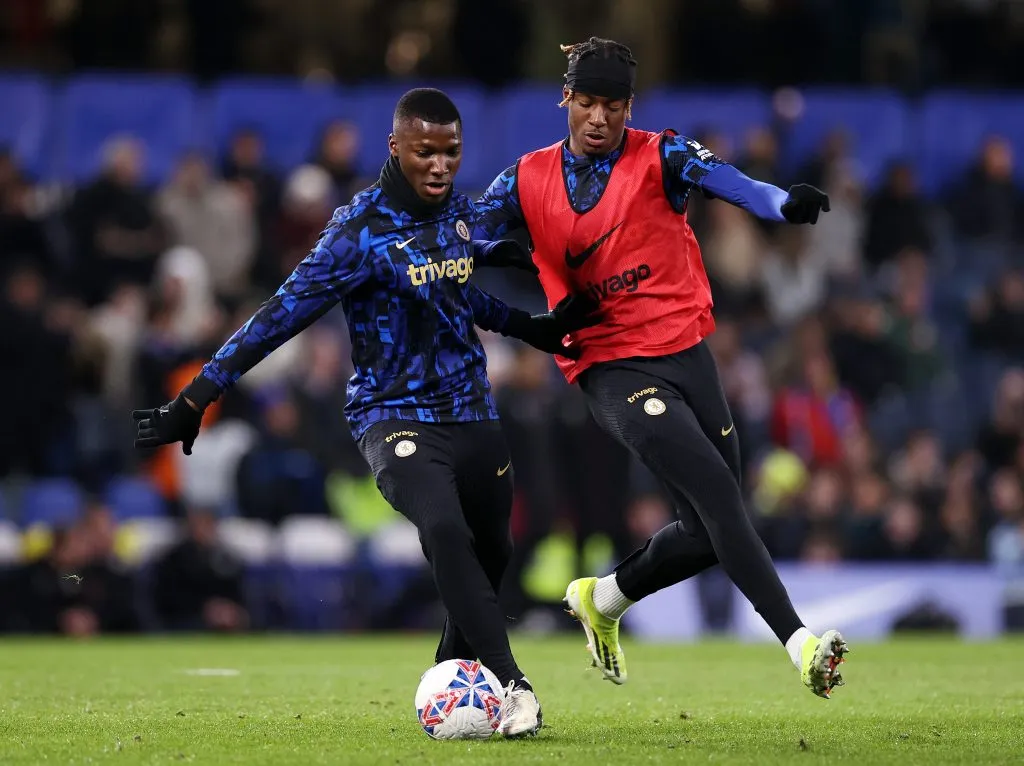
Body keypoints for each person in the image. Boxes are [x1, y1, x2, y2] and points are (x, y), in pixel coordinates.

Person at [132, 88, 599, 736]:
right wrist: (197, 396)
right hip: (394, 414)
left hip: (470, 410)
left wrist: (533, 327)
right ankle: (513, 685)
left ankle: (452, 670)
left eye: (451, 152)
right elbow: (277, 317)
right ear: (395, 148)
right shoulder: (356, 233)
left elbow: (457, 292)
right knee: (443, 528)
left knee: (494, 550)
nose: (440, 165)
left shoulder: (454, 213)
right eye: (425, 152)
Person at [473, 38, 849, 699]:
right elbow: (465, 235)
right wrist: (487, 251)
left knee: (709, 532)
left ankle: (605, 598)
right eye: (586, 103)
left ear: (629, 107)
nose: (597, 118)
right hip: (609, 365)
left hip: (686, 354)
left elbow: (734, 183)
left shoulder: (662, 155)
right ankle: (802, 644)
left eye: (611, 106)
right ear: (567, 99)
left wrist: (783, 204)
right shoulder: (525, 178)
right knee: (720, 495)